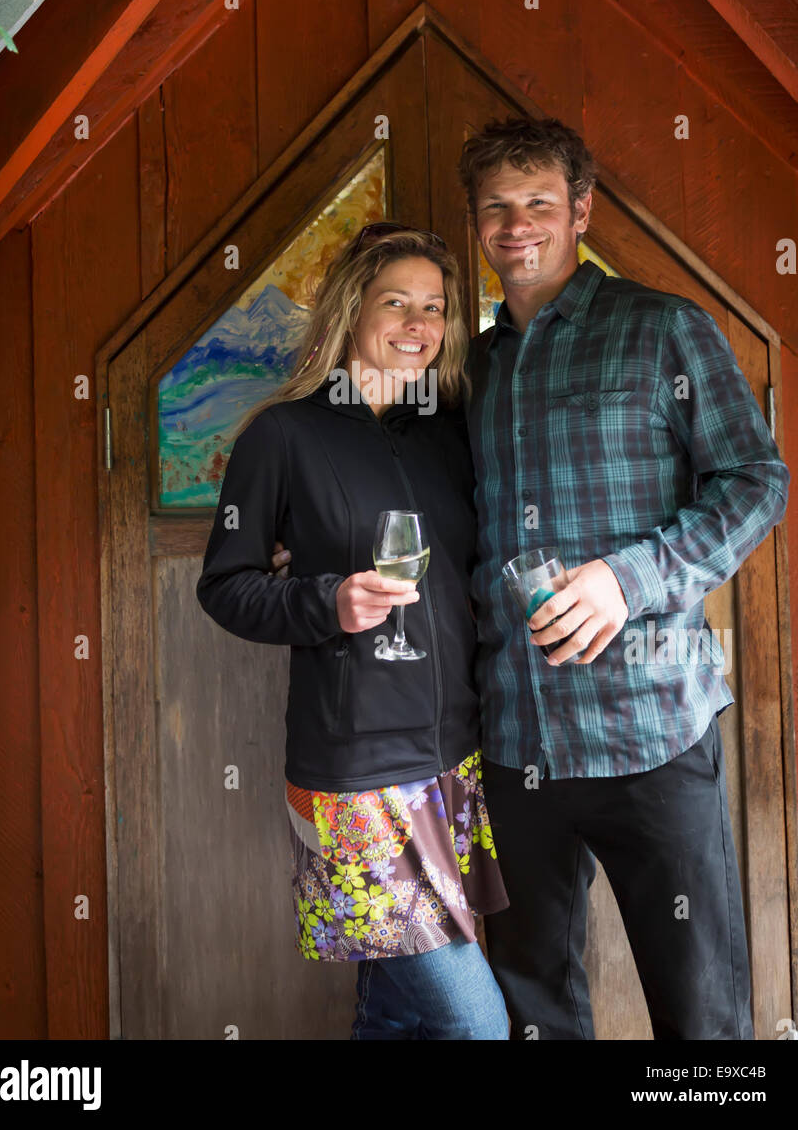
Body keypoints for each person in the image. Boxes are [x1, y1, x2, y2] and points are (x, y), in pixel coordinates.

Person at [458, 114, 790, 1040]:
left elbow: (758, 481)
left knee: (700, 1014)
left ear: (582, 211)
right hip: (517, 738)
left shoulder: (662, 330)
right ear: (476, 225)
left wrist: (629, 578)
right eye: (495, 208)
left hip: (652, 728)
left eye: (537, 203)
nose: (515, 226)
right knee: (533, 1008)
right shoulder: (474, 367)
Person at [196, 223, 510, 1040]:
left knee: (399, 1006)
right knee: (473, 1025)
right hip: (355, 768)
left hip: (454, 760)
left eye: (435, 308)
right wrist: (326, 601)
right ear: (352, 309)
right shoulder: (285, 435)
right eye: (396, 302)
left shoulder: (450, 429)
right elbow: (226, 586)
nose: (418, 324)